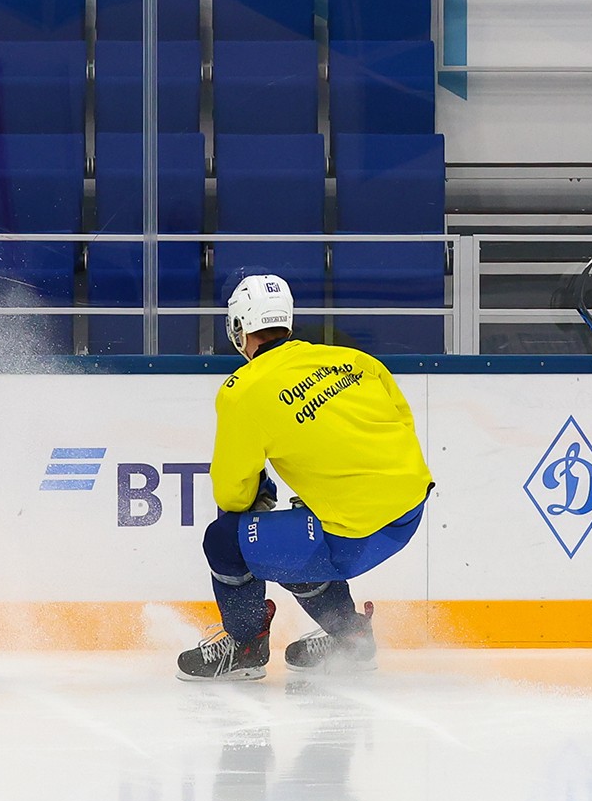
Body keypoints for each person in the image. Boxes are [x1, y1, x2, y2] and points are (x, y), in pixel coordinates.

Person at [179, 274, 433, 681]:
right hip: (409, 512)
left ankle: (245, 647)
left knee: (226, 540)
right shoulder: (355, 360)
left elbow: (231, 490)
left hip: (355, 533)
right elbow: (400, 422)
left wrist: (254, 504)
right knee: (296, 537)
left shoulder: (242, 390)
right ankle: (351, 641)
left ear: (238, 328)